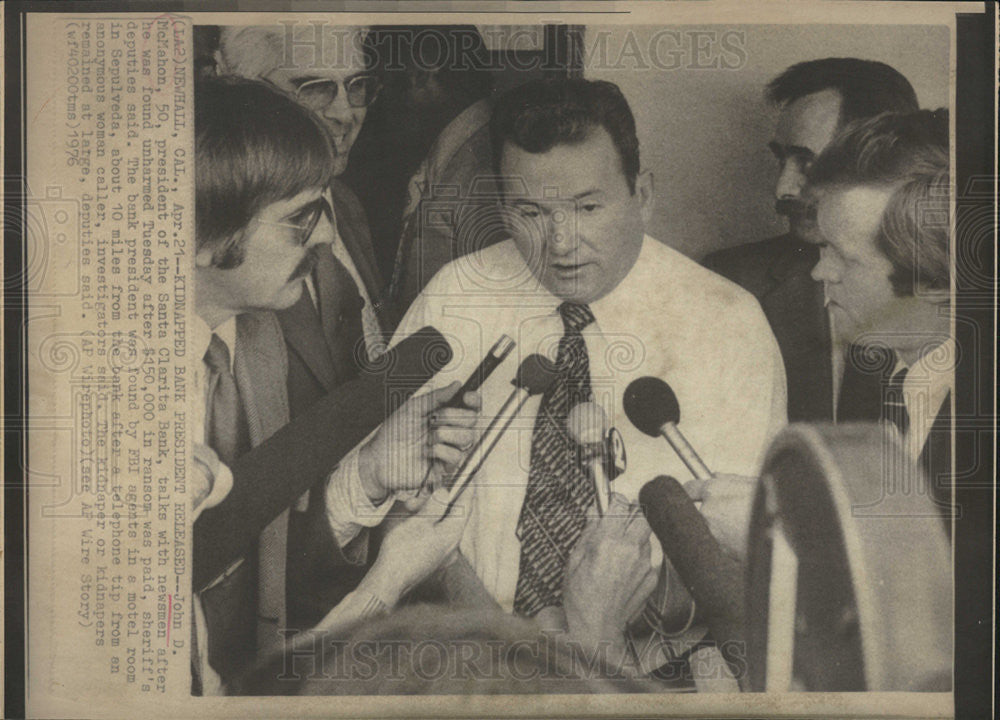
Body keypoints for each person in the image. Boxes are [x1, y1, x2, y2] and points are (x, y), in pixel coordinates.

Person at [320, 78, 786, 633]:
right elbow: (394, 492)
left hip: (646, 667)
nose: (561, 242)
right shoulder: (454, 295)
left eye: (588, 207)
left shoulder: (728, 322)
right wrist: (504, 642)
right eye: (531, 213)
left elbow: (736, 556)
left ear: (643, 196)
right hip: (469, 650)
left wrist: (597, 635)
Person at [192, 76, 480, 688]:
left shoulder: (259, 341)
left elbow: (260, 571)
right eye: (301, 219)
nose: (326, 238)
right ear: (204, 234)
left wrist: (368, 474)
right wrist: (385, 585)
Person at [692, 108, 952, 563]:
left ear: (936, 282)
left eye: (843, 257)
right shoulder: (899, 371)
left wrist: (786, 545)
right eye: (821, 247)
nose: (819, 271)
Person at [215, 24, 398, 627]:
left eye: (358, 86)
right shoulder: (230, 293)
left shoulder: (344, 206)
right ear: (236, 88)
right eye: (315, 87)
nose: (346, 114)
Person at [702, 58, 919, 421]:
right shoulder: (731, 284)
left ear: (880, 158)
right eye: (781, 161)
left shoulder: (962, 290)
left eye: (807, 162)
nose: (782, 189)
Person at [346, 26, 502, 314]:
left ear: (421, 73)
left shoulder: (483, 168)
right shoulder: (459, 149)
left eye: (380, 82)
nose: (374, 100)